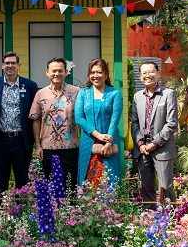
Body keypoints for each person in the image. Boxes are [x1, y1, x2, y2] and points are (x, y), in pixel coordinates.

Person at [0, 51, 38, 193]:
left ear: (18, 65)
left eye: (13, 63)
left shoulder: (30, 86)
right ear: (2, 65)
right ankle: (0, 212)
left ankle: (21, 212)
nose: (10, 66)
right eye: (7, 63)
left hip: (21, 140)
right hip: (0, 140)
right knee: (1, 181)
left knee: (22, 181)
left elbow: (35, 114)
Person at [131, 60, 178, 209]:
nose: (147, 75)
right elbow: (135, 123)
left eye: (151, 72)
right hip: (143, 149)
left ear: (158, 73)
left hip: (161, 147)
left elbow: (172, 124)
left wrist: (154, 143)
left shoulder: (168, 94)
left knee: (165, 186)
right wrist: (140, 144)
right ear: (140, 76)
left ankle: (172, 219)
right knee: (146, 186)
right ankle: (149, 217)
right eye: (144, 73)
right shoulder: (137, 96)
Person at [30, 57, 80, 193]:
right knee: (50, 187)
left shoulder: (76, 92)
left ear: (66, 72)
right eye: (54, 71)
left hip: (71, 147)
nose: (57, 74)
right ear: (47, 72)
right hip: (48, 148)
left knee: (70, 187)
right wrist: (38, 145)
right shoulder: (40, 94)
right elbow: (36, 119)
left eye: (60, 71)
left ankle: (70, 214)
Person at [75, 58, 123, 187]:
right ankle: (88, 207)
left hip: (109, 141)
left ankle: (109, 207)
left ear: (106, 75)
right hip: (88, 142)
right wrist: (97, 135)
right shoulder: (83, 93)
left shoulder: (114, 93)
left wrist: (108, 142)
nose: (95, 76)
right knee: (87, 179)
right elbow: (79, 117)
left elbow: (115, 120)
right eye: (92, 72)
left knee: (109, 179)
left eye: (99, 72)